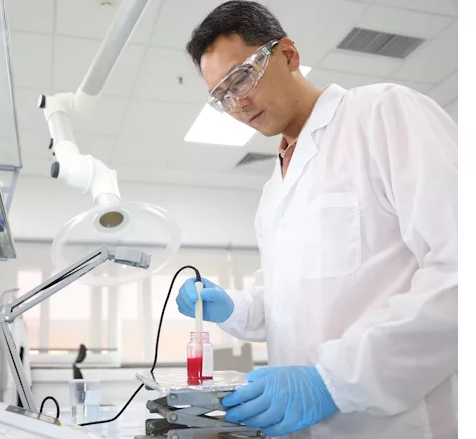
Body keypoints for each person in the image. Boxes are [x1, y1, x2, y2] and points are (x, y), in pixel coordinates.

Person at [175, 1, 457, 438]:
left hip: (396, 424)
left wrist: (333, 382)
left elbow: (466, 270)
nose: (238, 102)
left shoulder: (383, 114)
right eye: (222, 96)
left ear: (288, 55)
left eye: (242, 76)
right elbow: (283, 306)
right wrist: (235, 308)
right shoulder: (273, 192)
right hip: (304, 428)